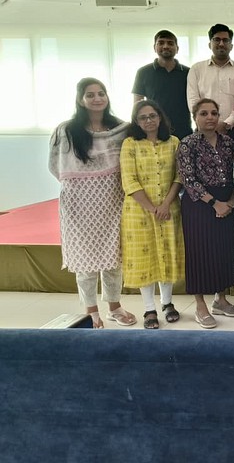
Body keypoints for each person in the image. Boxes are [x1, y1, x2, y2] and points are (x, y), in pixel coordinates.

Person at [48, 78, 136, 329]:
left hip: (112, 199)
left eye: (101, 93)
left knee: (114, 256)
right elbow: (55, 165)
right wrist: (82, 183)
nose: (97, 98)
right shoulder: (66, 130)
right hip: (78, 203)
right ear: (80, 99)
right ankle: (91, 311)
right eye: (90, 94)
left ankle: (114, 307)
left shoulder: (121, 129)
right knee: (85, 259)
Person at [176, 98, 234, 329]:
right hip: (200, 205)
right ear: (195, 117)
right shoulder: (187, 144)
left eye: (214, 113)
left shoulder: (228, 142)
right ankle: (200, 305)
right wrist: (214, 203)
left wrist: (231, 201)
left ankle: (220, 300)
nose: (210, 117)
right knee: (200, 254)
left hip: (228, 201)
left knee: (223, 252)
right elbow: (188, 179)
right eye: (204, 113)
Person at [120, 100, 184, 329]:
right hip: (139, 212)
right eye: (143, 117)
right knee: (144, 259)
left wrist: (165, 204)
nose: (148, 121)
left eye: (152, 116)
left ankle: (167, 303)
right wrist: (151, 208)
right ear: (136, 121)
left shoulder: (173, 142)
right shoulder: (130, 144)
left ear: (160, 117)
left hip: (169, 209)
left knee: (166, 255)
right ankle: (149, 308)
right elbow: (129, 180)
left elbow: (179, 176)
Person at [187, 23, 234, 143]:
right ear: (209, 44)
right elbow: (193, 100)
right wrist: (206, 120)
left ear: (231, 46)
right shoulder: (196, 69)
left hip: (233, 131)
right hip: (203, 130)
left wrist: (227, 123)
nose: (221, 44)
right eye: (216, 40)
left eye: (225, 40)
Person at [132, 29, 192, 139]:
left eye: (170, 43)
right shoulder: (143, 72)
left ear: (177, 49)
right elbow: (137, 104)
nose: (165, 46)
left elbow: (195, 101)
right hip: (153, 131)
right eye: (161, 43)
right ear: (154, 47)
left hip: (183, 130)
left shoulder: (188, 72)